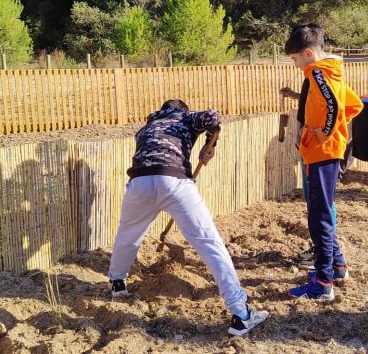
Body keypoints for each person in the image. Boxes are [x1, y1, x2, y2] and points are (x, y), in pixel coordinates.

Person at [107, 99, 268, 336]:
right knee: (210, 243)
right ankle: (241, 314)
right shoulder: (183, 117)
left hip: (139, 182)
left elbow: (156, 151)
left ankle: (117, 283)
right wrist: (209, 143)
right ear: (182, 109)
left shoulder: (148, 126)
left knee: (128, 234)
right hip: (174, 183)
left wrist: (206, 145)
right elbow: (213, 117)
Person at [283, 23, 363, 300]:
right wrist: (335, 131)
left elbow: (334, 107)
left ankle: (323, 283)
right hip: (327, 151)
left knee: (319, 217)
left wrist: (322, 133)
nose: (295, 65)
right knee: (324, 210)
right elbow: (354, 105)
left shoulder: (317, 73)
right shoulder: (332, 72)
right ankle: (337, 266)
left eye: (295, 59)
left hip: (321, 152)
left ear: (307, 53)